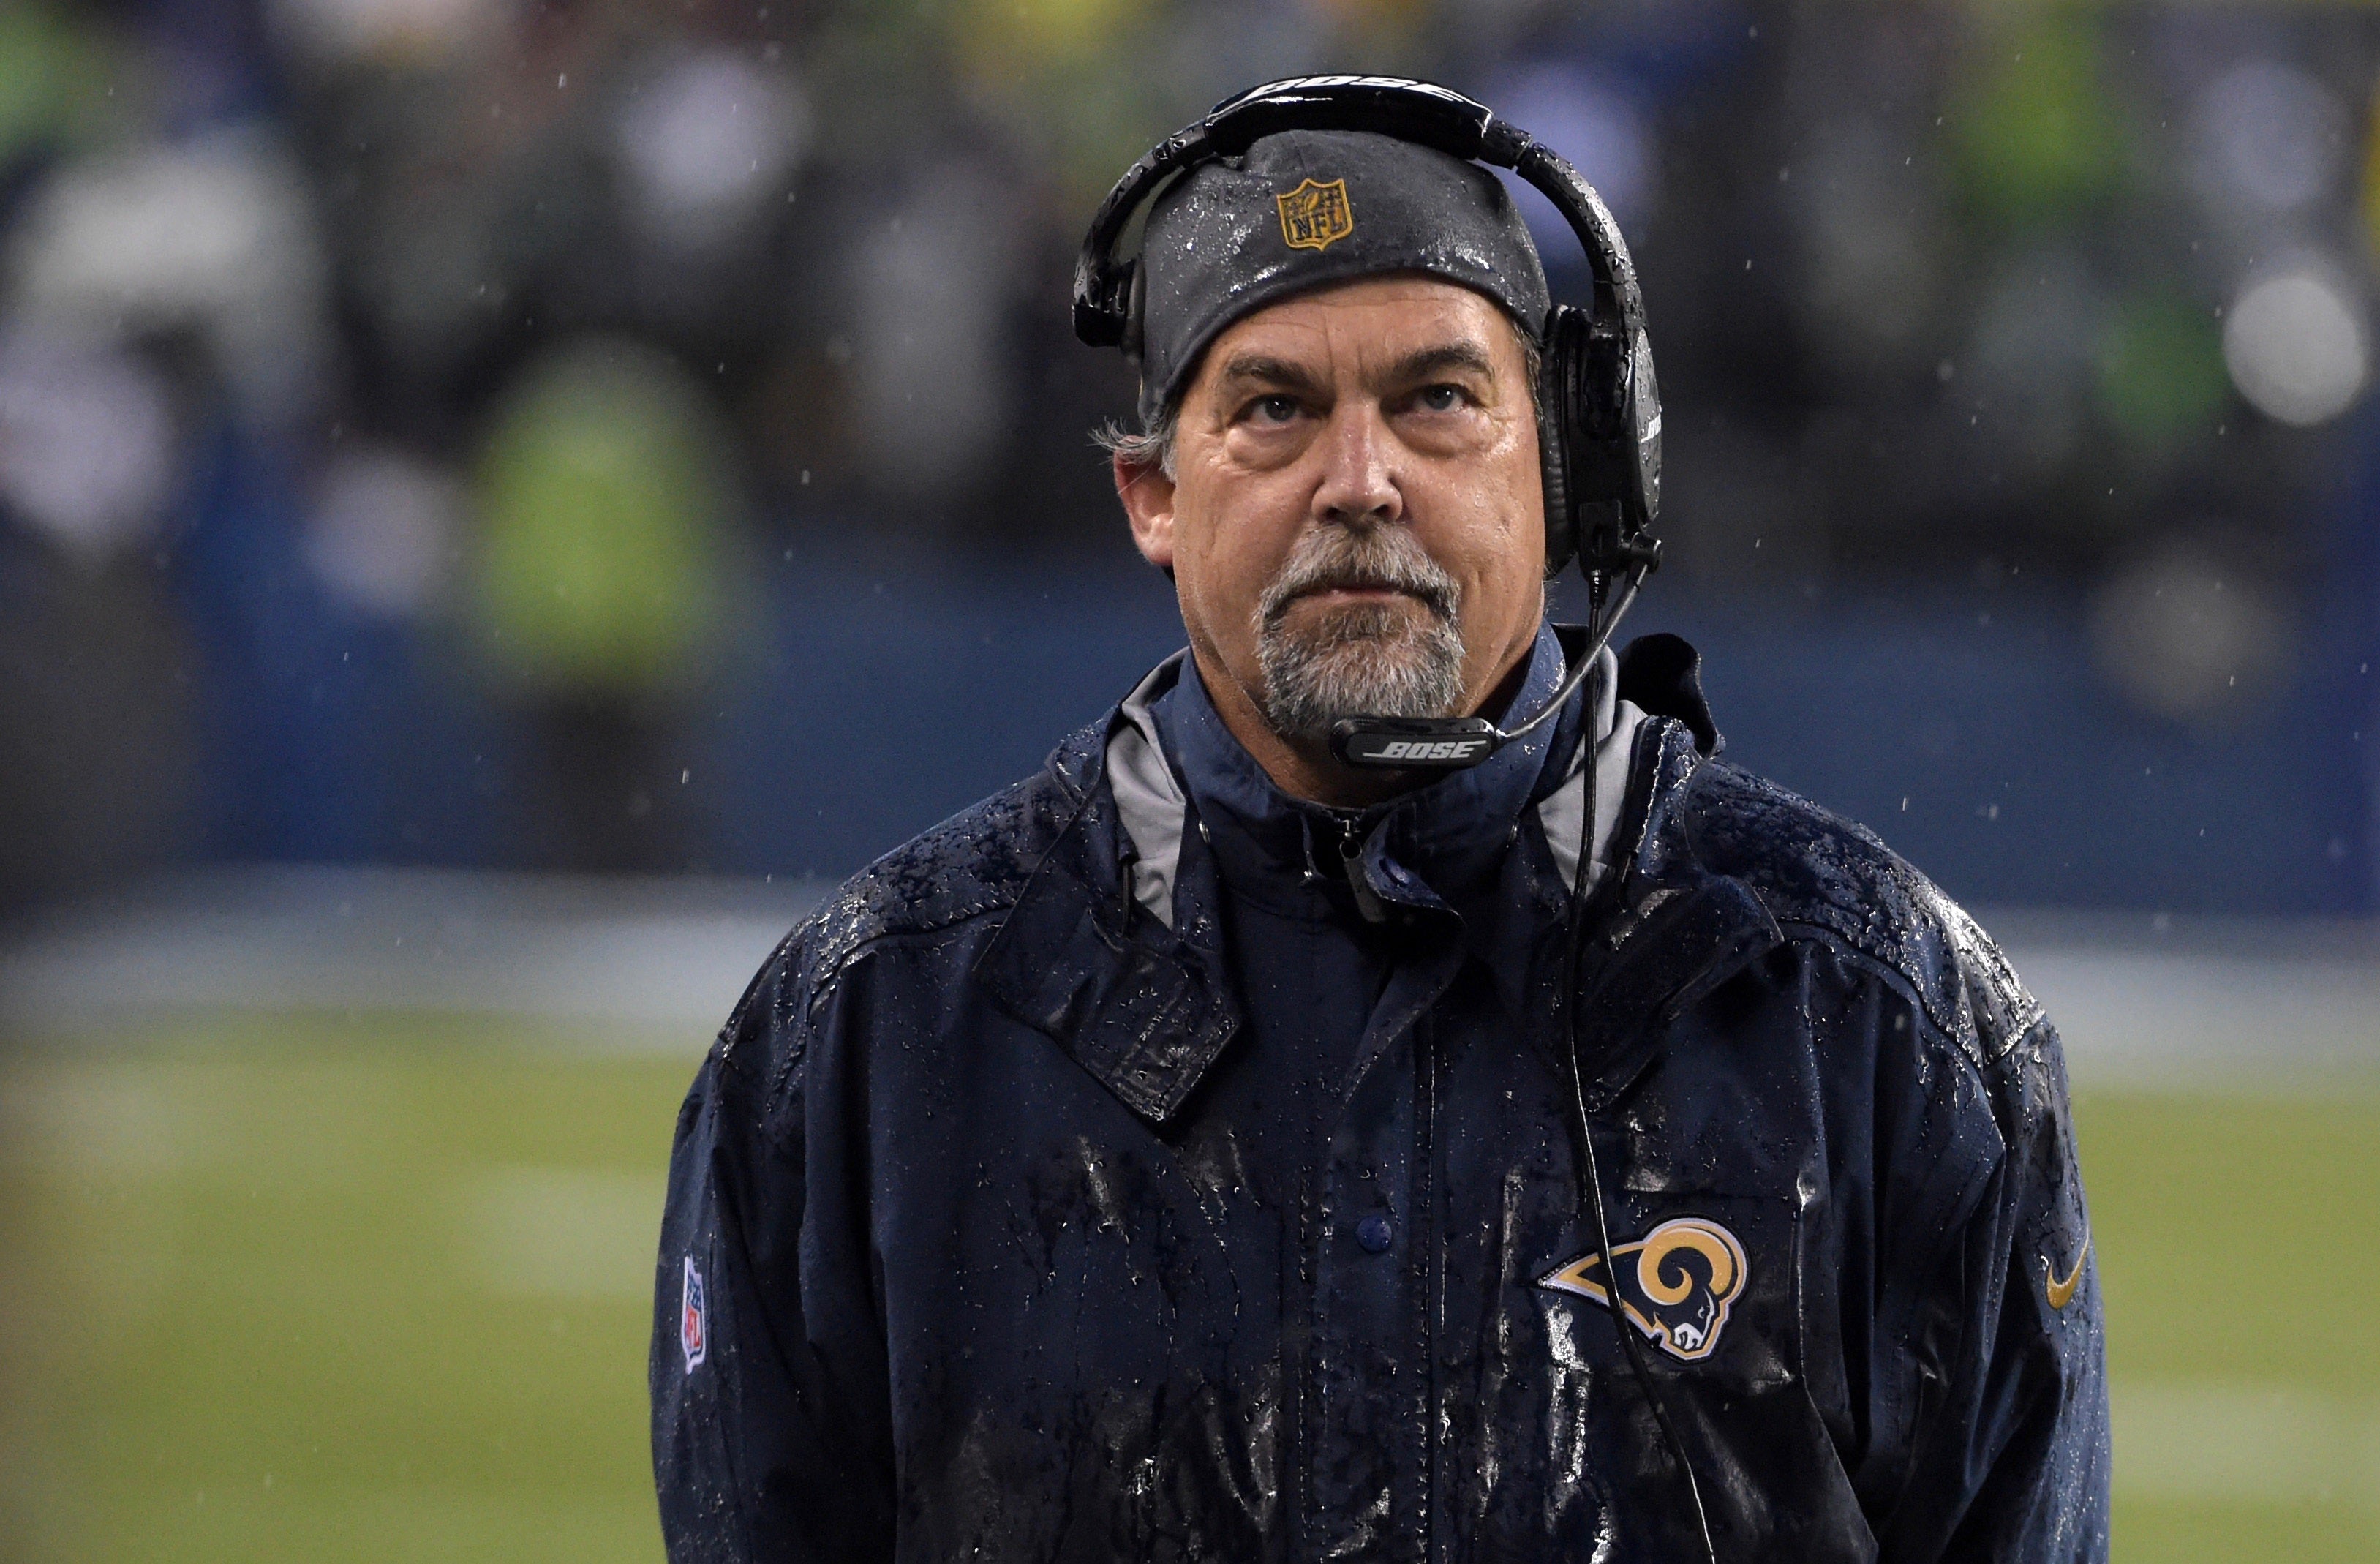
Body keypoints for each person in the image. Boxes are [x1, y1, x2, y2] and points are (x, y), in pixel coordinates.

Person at [652, 78, 2108, 1563]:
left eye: (1436, 399)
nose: (1361, 483)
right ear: (1152, 497)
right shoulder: (859, 1046)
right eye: (1274, 409)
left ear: (1563, 465)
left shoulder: (1875, 1021)